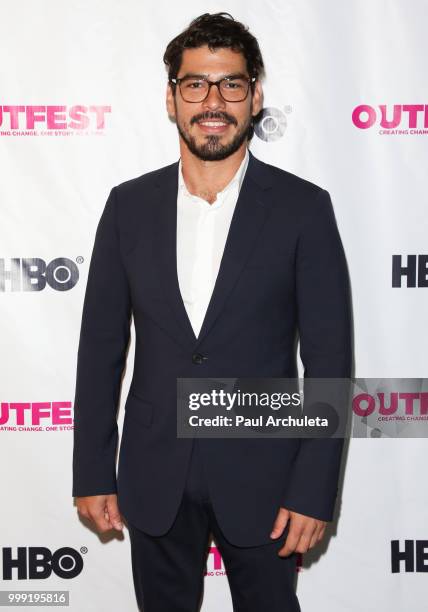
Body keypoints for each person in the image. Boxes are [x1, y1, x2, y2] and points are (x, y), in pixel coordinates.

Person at [72, 12, 352, 612]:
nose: (213, 101)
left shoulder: (304, 209)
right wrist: (92, 471)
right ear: (172, 98)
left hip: (266, 477)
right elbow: (100, 350)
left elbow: (330, 359)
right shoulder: (128, 208)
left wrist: (313, 488)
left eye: (231, 83)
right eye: (196, 84)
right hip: (153, 473)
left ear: (255, 96)